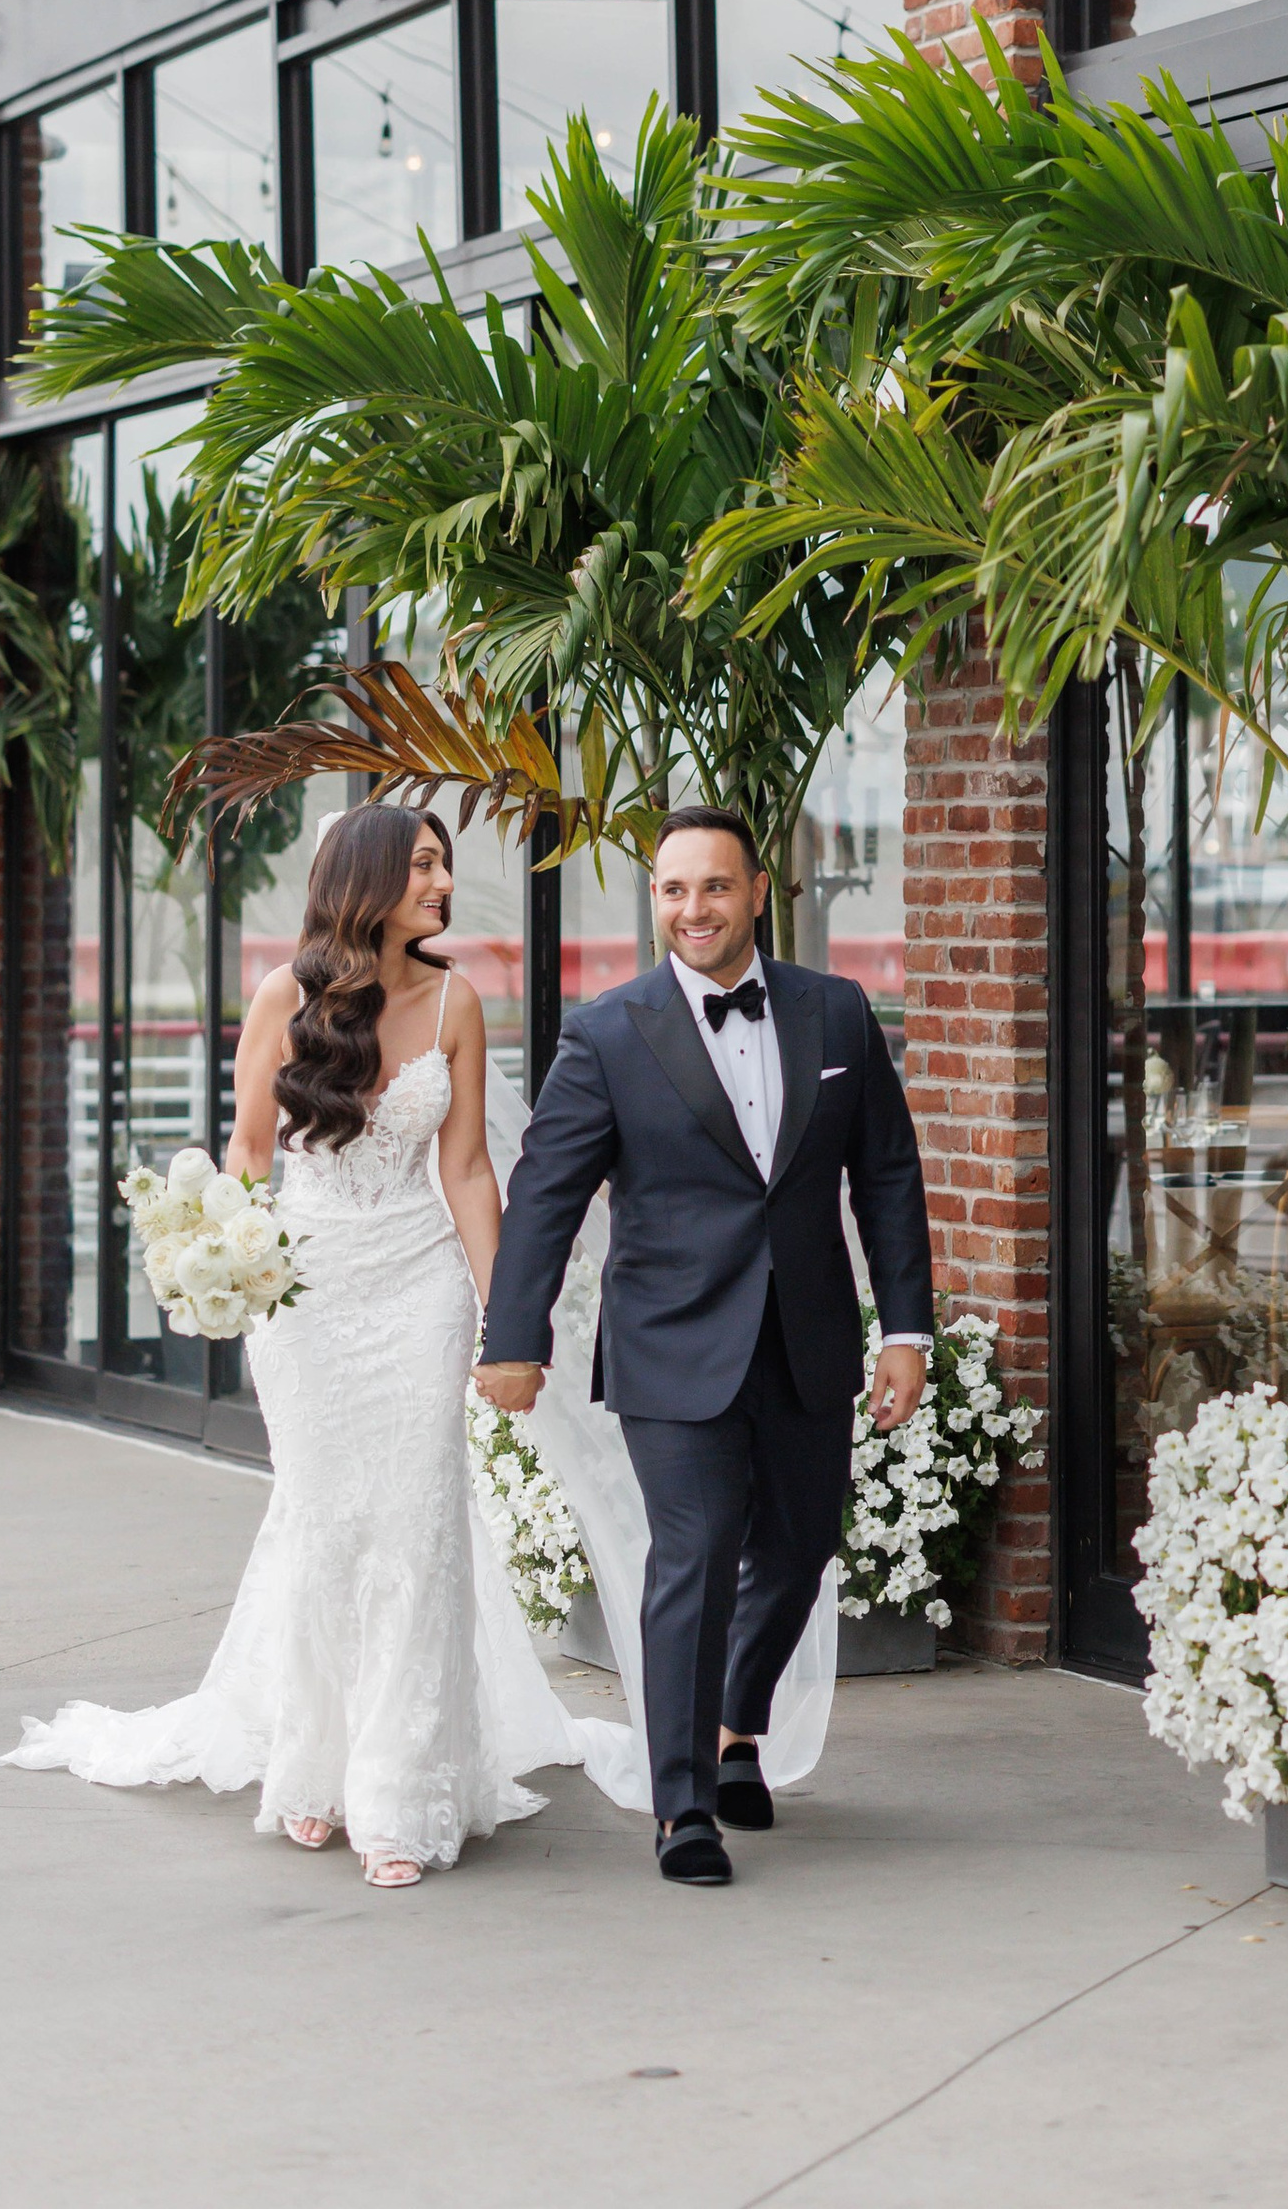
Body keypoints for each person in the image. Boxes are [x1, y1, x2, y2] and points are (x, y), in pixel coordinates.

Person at [5, 802, 646, 1882]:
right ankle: (314, 1769)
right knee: (325, 1527)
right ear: (368, 879)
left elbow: (470, 1173)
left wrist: (509, 1320)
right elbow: (250, 1148)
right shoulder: (283, 995)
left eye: (445, 864)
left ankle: (396, 1793)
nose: (444, 882)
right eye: (426, 865)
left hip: (420, 1290)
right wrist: (227, 1272)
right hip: (304, 1298)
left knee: (414, 1528)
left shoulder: (454, 998)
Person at [476, 801, 933, 1885]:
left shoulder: (837, 1013)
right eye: (674, 889)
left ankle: (735, 1722)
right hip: (671, 1342)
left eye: (715, 886)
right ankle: (684, 1806)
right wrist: (514, 1335)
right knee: (695, 1547)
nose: (694, 909)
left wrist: (905, 1328)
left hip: (809, 1336)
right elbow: (544, 1196)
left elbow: (887, 1176)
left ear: (758, 890)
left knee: (802, 1545)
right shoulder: (608, 1031)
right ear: (655, 901)